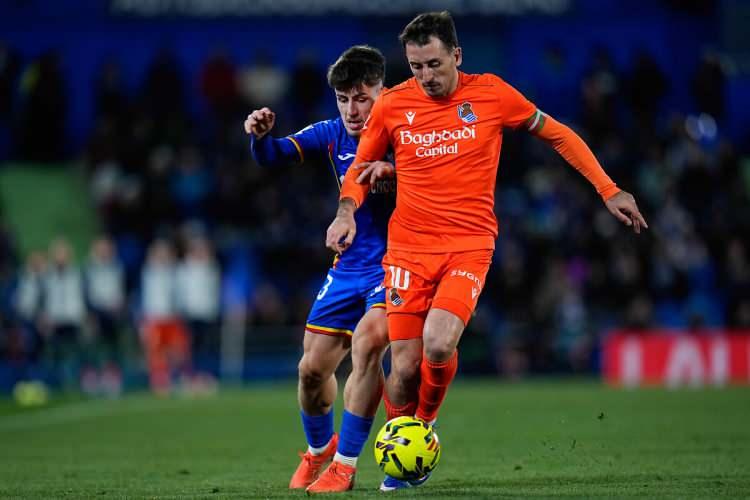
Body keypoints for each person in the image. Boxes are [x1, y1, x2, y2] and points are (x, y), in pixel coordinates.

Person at [327, 11, 648, 492]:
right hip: (408, 250)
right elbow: (360, 166)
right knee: (404, 369)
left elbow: (557, 133)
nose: (426, 76)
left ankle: (423, 429)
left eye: (434, 64)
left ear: (457, 55)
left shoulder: (493, 95)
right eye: (416, 67)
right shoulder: (393, 104)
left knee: (439, 343)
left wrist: (609, 189)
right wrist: (346, 212)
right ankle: (403, 450)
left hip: (468, 246)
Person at [243, 45, 395, 493]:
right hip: (349, 266)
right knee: (311, 370)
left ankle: (346, 466)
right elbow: (273, 156)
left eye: (362, 98)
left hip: (398, 263)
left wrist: (395, 174)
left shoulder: (408, 132)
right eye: (343, 99)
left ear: (382, 91)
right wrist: (260, 137)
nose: (352, 110)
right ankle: (319, 450)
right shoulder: (332, 133)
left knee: (368, 346)